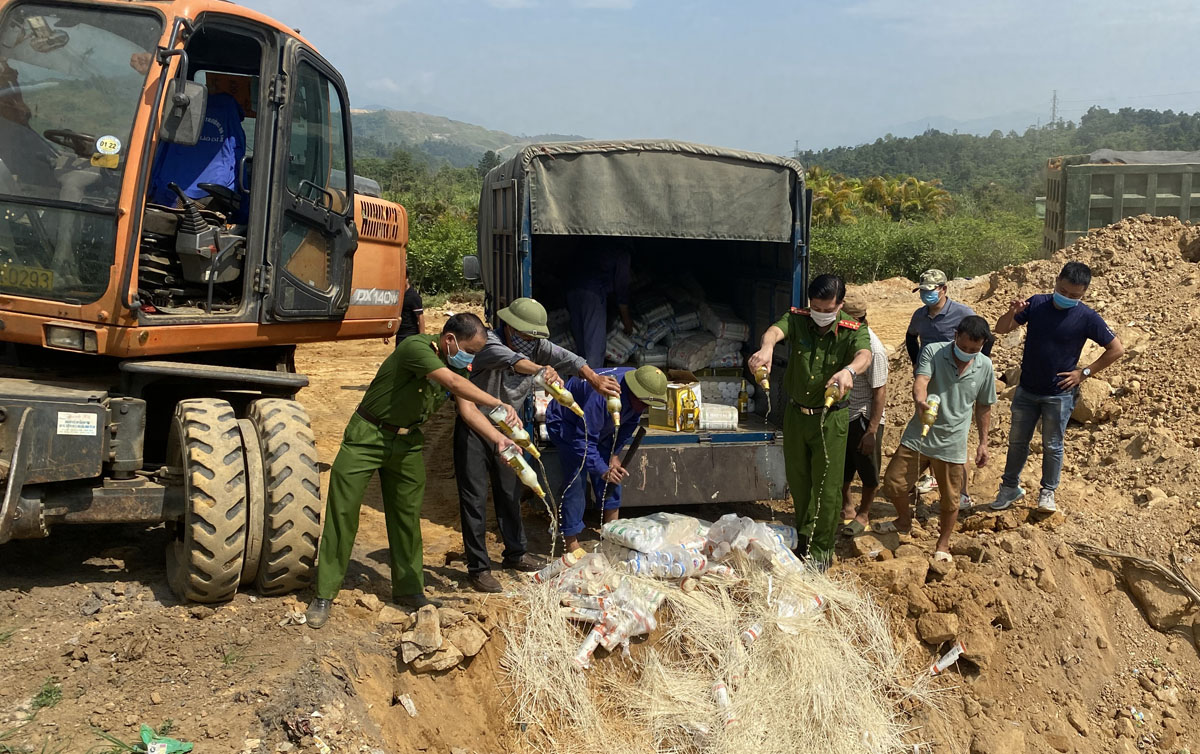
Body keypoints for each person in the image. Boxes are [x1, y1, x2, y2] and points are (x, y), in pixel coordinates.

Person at [305, 314, 522, 628]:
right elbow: (451, 382)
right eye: (470, 350)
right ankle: (324, 592)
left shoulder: (457, 362)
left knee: (407, 517)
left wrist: (499, 438)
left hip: (407, 444)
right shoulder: (415, 347)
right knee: (343, 512)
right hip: (368, 436)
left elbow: (467, 408)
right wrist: (499, 404)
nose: (471, 358)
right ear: (449, 340)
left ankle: (408, 590)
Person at [456, 297, 620, 593]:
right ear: (511, 328)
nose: (531, 342)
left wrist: (594, 378)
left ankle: (516, 553)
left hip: (509, 429)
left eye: (535, 337)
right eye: (526, 336)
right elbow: (513, 361)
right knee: (475, 498)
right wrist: (540, 371)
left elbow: (570, 359)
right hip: (475, 427)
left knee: (511, 492)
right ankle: (478, 568)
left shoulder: (538, 348)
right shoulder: (490, 344)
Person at [748, 274, 872, 569]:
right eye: (816, 307)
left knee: (827, 487)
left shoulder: (853, 329)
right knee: (799, 481)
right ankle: (803, 537)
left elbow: (864, 355)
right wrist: (766, 348)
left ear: (840, 305)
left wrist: (849, 372)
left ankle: (820, 550)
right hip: (795, 416)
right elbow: (775, 332)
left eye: (828, 309)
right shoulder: (799, 319)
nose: (821, 315)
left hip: (830, 419)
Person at [989, 261, 1124, 514]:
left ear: (1084, 293)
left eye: (1075, 295)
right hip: (1027, 390)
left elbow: (1116, 349)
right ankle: (1009, 488)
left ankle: (1048, 492)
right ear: (1056, 281)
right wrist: (1012, 312)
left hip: (1058, 394)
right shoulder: (1037, 304)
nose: (1068, 298)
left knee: (1053, 445)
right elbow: (1001, 328)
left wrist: (1083, 373)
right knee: (1018, 441)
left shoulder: (1087, 317)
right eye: (1063, 291)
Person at [879, 316, 995, 559]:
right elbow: (921, 380)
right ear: (955, 336)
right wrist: (920, 401)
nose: (967, 353)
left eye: (974, 350)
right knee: (893, 482)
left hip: (952, 443)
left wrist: (983, 443)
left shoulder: (985, 366)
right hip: (918, 436)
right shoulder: (933, 351)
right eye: (963, 347)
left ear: (983, 345)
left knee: (952, 500)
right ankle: (903, 521)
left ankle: (942, 545)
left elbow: (983, 407)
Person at [546, 365, 667, 553]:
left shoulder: (640, 388)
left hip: (601, 427)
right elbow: (583, 441)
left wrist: (614, 455)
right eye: (643, 403)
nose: (644, 408)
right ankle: (571, 542)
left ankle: (614, 531)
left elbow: (628, 425)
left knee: (614, 474)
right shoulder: (601, 397)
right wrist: (602, 470)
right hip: (567, 423)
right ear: (633, 392)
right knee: (576, 478)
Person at [905, 268, 990, 509]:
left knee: (955, 434)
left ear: (943, 289)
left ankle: (961, 492)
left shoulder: (962, 314)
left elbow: (984, 337)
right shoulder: (920, 316)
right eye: (922, 291)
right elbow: (911, 337)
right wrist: (916, 361)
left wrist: (976, 367)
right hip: (929, 377)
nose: (925, 296)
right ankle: (930, 476)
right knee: (928, 424)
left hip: (957, 377)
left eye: (929, 291)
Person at [838, 292, 889, 536]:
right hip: (843, 415)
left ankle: (864, 513)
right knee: (843, 468)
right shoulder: (844, 340)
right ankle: (847, 507)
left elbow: (879, 392)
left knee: (868, 470)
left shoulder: (874, 349)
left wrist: (871, 431)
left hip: (863, 417)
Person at [566, 241, 633, 368]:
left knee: (581, 344)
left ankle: (581, 382)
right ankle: (593, 383)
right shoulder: (622, 251)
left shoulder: (591, 244)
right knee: (594, 346)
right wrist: (626, 319)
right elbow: (622, 285)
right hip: (593, 293)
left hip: (572, 289)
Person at [396, 267, 425, 341]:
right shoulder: (398, 295)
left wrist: (422, 337)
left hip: (411, 334)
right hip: (399, 334)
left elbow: (420, 317)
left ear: (407, 278)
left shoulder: (413, 296)